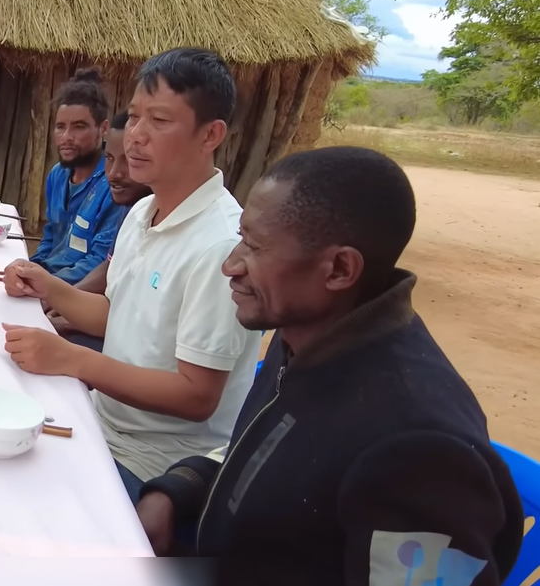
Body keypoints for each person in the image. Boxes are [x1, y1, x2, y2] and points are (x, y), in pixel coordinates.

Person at [135, 147, 524, 583]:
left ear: (339, 269)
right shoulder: (304, 334)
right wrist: (177, 490)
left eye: (255, 248)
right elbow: (263, 453)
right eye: (241, 238)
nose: (231, 265)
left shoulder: (417, 449)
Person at [0, 48, 261, 502]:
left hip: (155, 461)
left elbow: (196, 396)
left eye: (159, 121)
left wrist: (72, 360)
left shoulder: (219, 244)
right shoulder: (144, 210)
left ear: (210, 135)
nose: (136, 136)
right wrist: (50, 286)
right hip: (99, 417)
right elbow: (119, 317)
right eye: (135, 117)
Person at [46, 113, 152, 351]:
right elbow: (111, 264)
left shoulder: (211, 242)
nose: (114, 173)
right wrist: (60, 298)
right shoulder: (137, 209)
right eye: (110, 159)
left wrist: (63, 303)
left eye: (129, 160)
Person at [30, 68, 128, 285]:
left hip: (78, 293)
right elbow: (50, 235)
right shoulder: (57, 175)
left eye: (79, 127)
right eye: (60, 127)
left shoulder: (114, 184)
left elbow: (101, 260)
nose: (66, 137)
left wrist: (49, 286)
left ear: (103, 128)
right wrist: (34, 267)